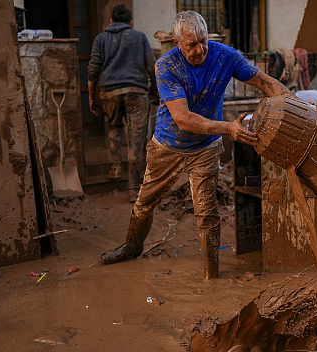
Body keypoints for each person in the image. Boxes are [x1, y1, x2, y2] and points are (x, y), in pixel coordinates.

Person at [100, 11, 294, 280]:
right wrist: (228, 128)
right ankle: (132, 248)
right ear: (177, 43)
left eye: (203, 41)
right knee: (144, 204)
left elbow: (264, 82)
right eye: (191, 45)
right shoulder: (166, 66)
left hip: (205, 147)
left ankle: (210, 274)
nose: (199, 49)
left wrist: (293, 105)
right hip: (167, 145)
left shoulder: (224, 55)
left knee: (206, 211)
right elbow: (183, 119)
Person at [88, 4, 157, 203]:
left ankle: (115, 166)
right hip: (136, 92)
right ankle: (133, 188)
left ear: (111, 21)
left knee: (114, 127)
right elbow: (152, 67)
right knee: (136, 141)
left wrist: (92, 98)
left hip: (109, 92)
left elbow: (93, 70)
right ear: (130, 22)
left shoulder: (101, 38)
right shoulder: (139, 37)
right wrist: (153, 91)